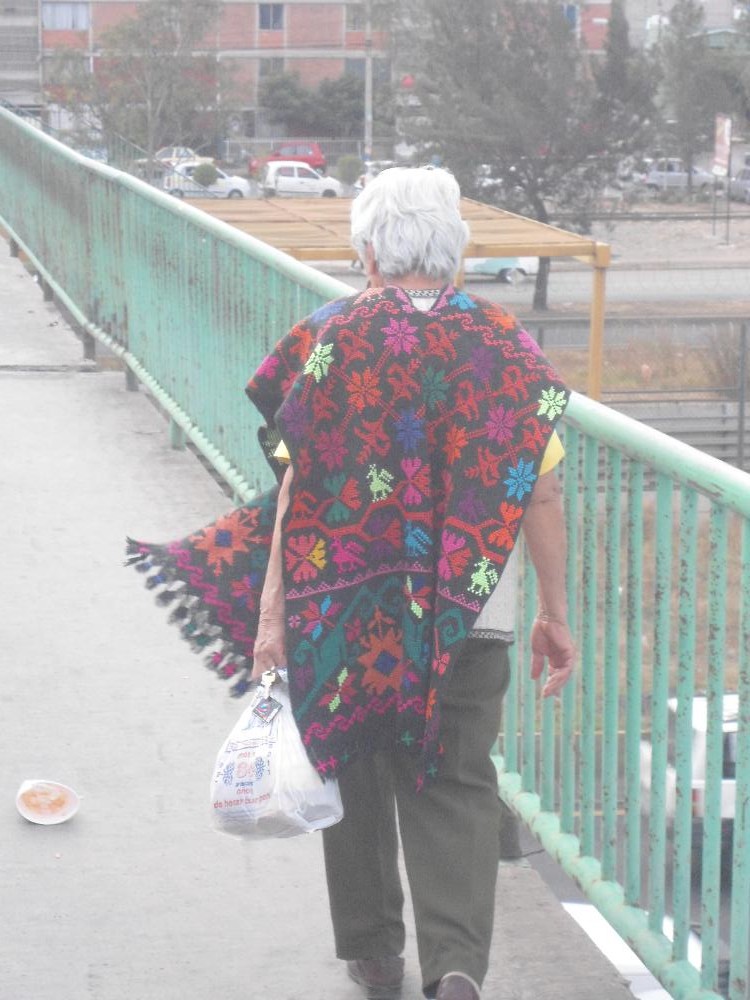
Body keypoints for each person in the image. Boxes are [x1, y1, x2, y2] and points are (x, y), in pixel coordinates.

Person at [128, 166, 575, 1000]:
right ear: (456, 250)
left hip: (347, 605)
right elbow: (541, 492)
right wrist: (553, 610)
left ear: (369, 251)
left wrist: (273, 615)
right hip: (472, 610)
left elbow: (295, 489)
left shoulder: (329, 339)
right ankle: (455, 966)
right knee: (457, 778)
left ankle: (373, 951)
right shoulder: (508, 346)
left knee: (354, 762)